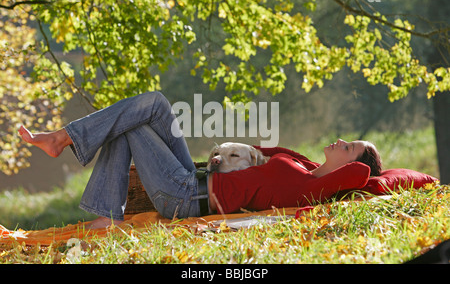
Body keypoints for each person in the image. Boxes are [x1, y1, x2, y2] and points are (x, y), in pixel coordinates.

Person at [18, 92, 382, 229]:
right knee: (154, 104)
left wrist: (368, 168)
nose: (340, 141)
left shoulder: (314, 185)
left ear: (350, 165)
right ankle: (66, 140)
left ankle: (105, 211)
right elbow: (257, 150)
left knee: (131, 129)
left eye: (348, 146)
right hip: (195, 174)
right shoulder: (302, 164)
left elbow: (367, 175)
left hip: (187, 198)